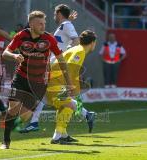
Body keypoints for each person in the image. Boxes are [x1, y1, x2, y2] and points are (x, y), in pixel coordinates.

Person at [0, 10, 73, 149]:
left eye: (44, 23)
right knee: (12, 108)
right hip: (20, 77)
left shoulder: (49, 39)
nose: (43, 26)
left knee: (25, 116)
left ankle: (14, 121)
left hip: (39, 83)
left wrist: (69, 83)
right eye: (40, 24)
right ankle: (5, 141)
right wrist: (14, 56)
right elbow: (5, 53)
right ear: (31, 24)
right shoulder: (21, 35)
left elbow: (61, 60)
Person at [21, 4, 95, 134]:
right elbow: (66, 38)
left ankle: (35, 122)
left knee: (48, 94)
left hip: (55, 65)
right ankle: (35, 122)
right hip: (51, 64)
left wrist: (66, 53)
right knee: (44, 95)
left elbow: (76, 41)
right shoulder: (65, 25)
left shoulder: (67, 25)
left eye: (55, 14)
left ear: (59, 14)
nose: (54, 16)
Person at [47, 30, 97, 144]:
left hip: (56, 79)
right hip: (54, 81)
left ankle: (60, 136)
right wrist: (71, 85)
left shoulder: (77, 49)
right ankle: (87, 115)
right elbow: (69, 67)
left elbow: (72, 69)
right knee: (64, 102)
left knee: (66, 107)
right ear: (93, 42)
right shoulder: (80, 51)